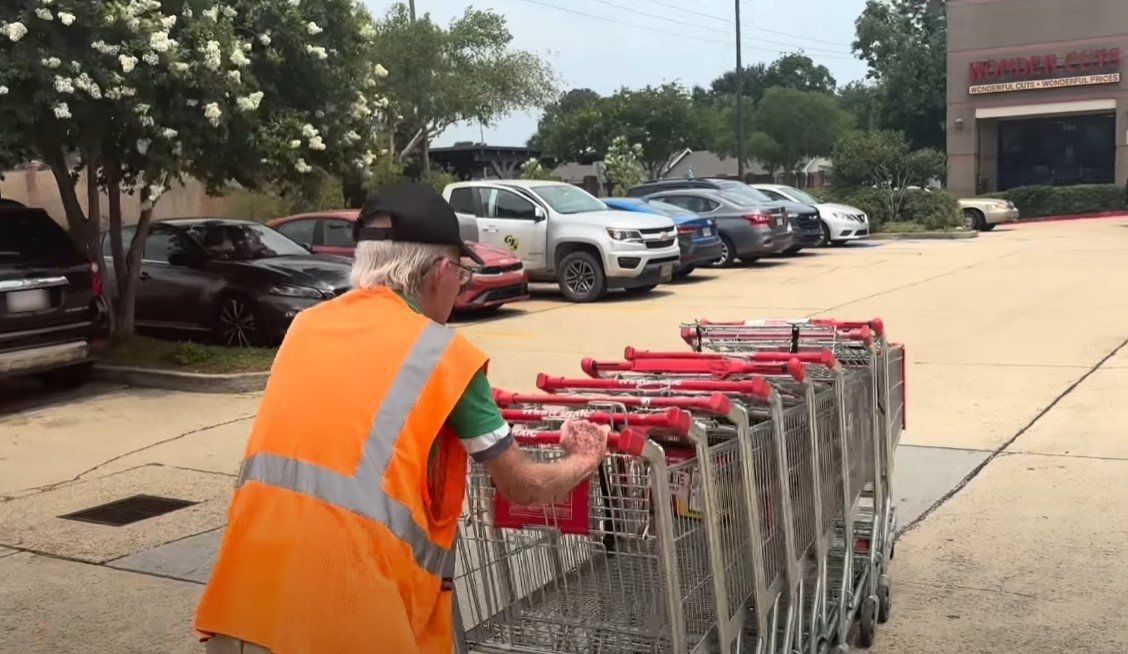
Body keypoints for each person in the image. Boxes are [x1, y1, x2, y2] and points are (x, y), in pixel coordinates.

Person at [194, 182, 610, 654]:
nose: (461, 288)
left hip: (246, 608)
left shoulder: (306, 328)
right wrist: (584, 457)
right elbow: (522, 485)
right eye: (464, 275)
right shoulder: (443, 355)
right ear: (441, 271)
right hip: (350, 620)